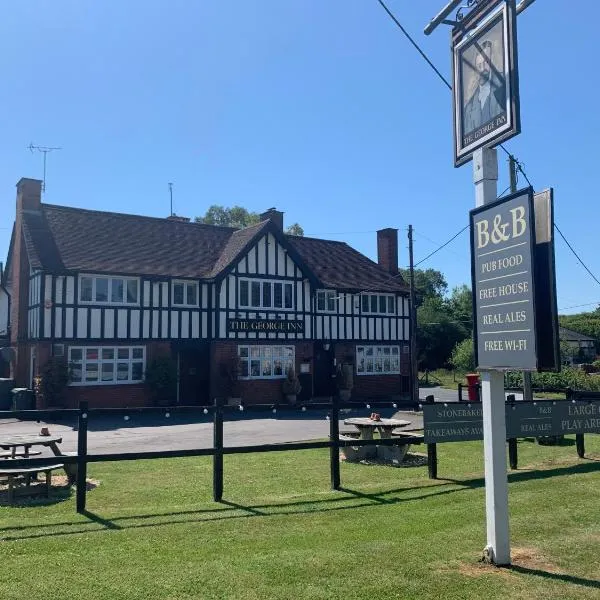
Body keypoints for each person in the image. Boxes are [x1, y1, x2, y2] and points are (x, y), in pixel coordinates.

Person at [463, 40, 505, 135]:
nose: (483, 69)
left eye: (486, 63)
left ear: (492, 60)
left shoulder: (504, 82)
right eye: (479, 65)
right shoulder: (468, 108)